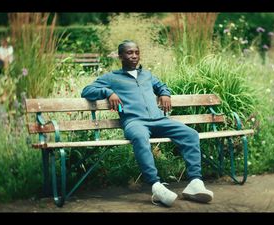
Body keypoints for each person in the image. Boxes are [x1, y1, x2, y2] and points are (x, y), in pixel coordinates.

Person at [81, 40, 214, 207]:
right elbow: (86, 91)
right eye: (129, 53)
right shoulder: (111, 78)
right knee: (140, 137)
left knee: (190, 134)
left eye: (136, 52)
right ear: (120, 56)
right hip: (135, 122)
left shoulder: (147, 75)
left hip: (159, 120)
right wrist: (108, 92)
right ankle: (156, 186)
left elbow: (161, 86)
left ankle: (194, 183)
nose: (134, 56)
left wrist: (164, 93)